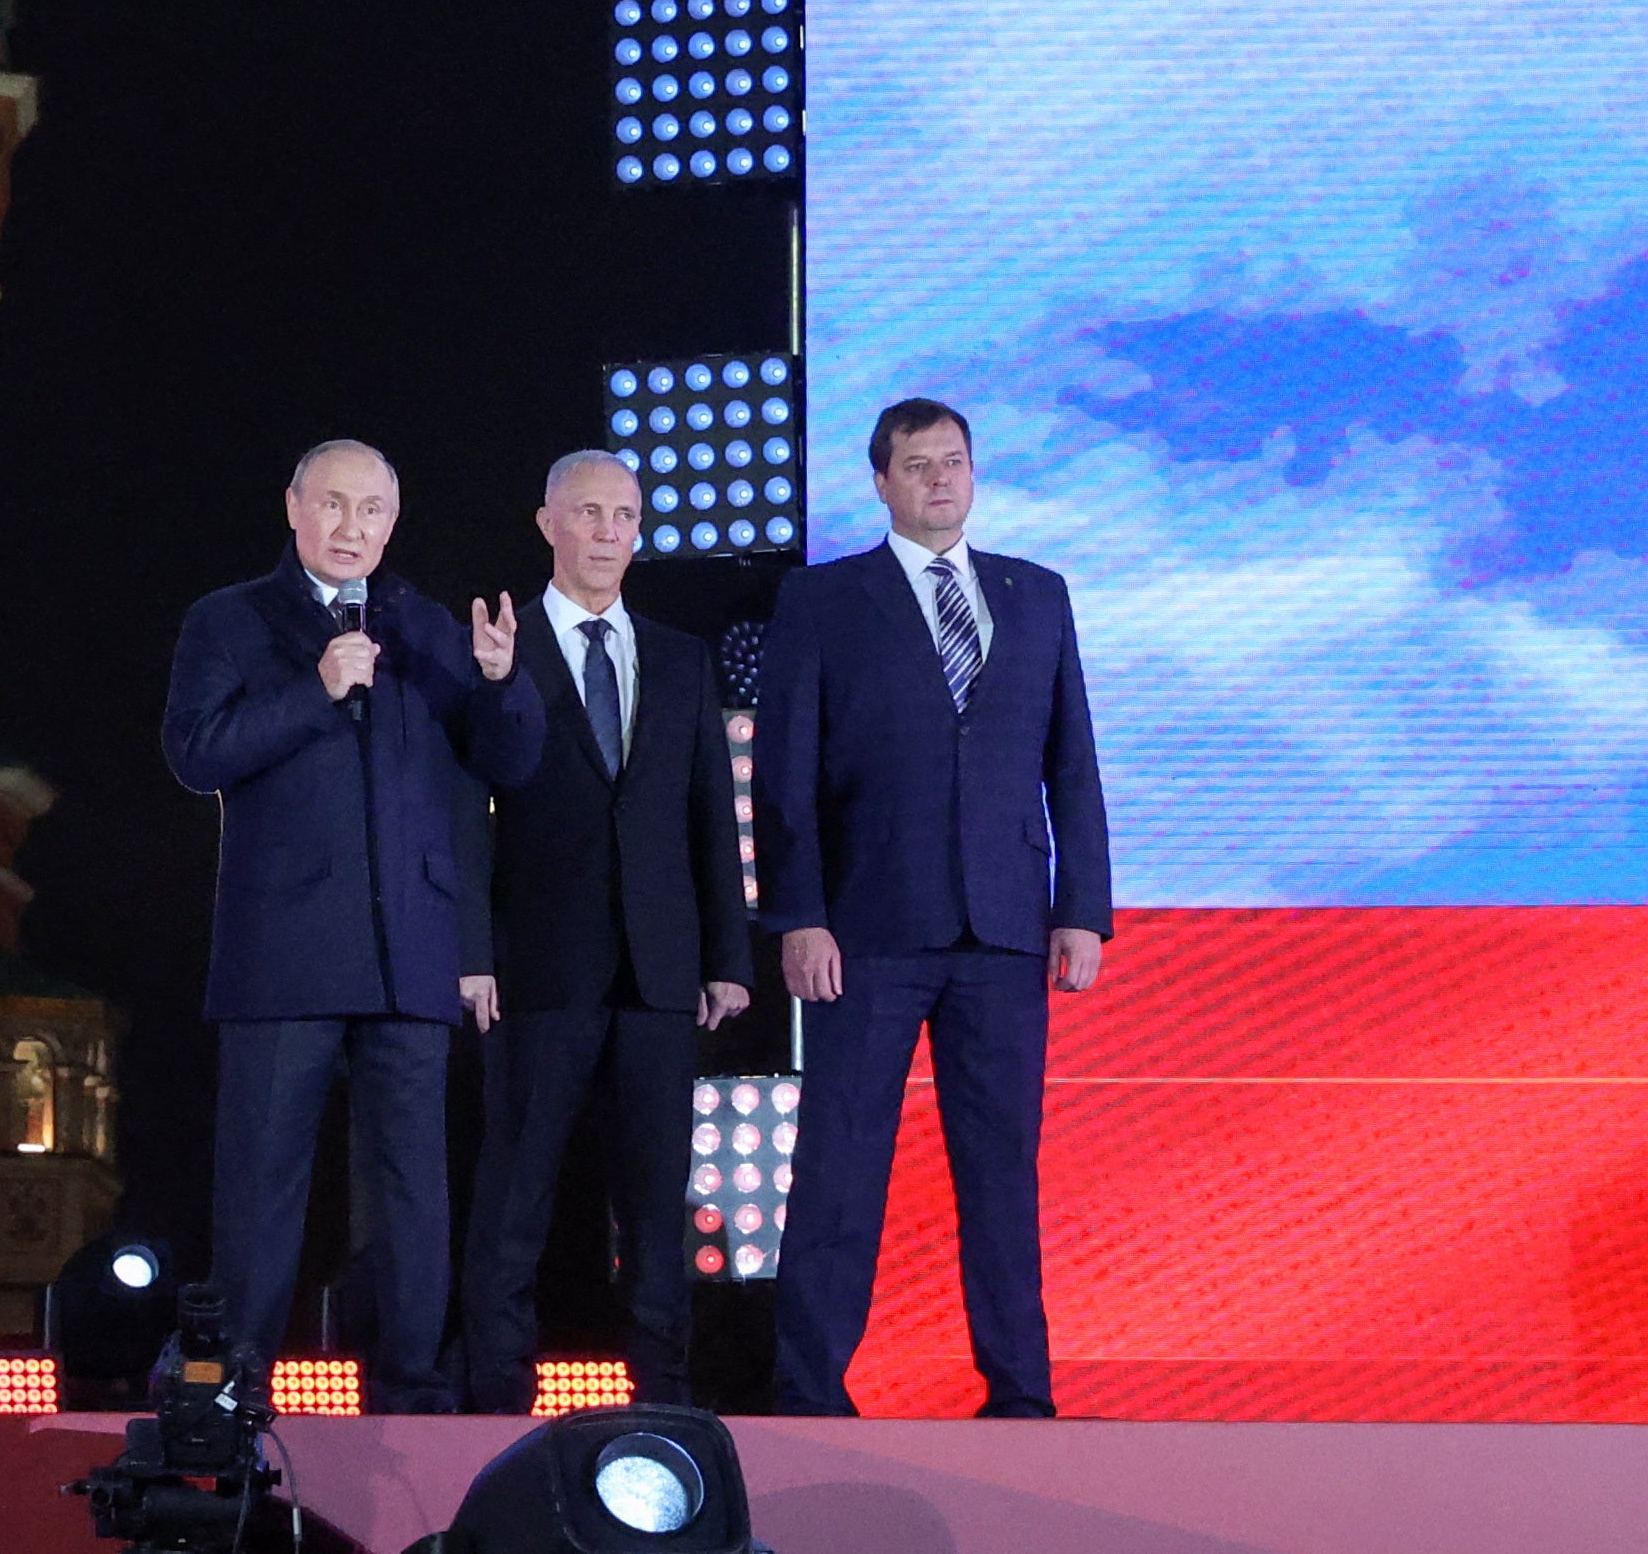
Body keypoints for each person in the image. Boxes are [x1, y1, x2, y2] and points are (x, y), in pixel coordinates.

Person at [161, 438, 543, 1411]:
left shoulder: (423, 623)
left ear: (392, 518)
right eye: (332, 505)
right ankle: (235, 1384)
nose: (350, 527)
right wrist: (314, 689)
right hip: (283, 951)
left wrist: (502, 682)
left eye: (370, 510)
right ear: (292, 507)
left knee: (414, 1186)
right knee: (262, 1181)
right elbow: (195, 752)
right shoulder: (230, 620)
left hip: (407, 955)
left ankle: (411, 1380)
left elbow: (504, 763)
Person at [755, 399, 1112, 1419]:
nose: (939, 481)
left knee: (999, 1172)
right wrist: (798, 915)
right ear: (878, 481)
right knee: (837, 1166)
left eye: (952, 462)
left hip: (1003, 931)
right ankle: (807, 1387)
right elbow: (784, 777)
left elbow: (1070, 762)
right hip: (864, 930)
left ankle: (1018, 1391)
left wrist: (1079, 906)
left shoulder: (1034, 594)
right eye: (916, 466)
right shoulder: (823, 599)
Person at [457, 450, 752, 1413]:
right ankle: (495, 1396)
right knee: (516, 1196)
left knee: (657, 1208)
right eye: (587, 513)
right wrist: (469, 952)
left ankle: (664, 1405)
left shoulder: (677, 655)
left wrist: (726, 957)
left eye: (623, 513)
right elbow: (465, 810)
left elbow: (712, 812)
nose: (608, 531)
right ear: (547, 524)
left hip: (661, 972)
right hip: (537, 964)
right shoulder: (499, 649)